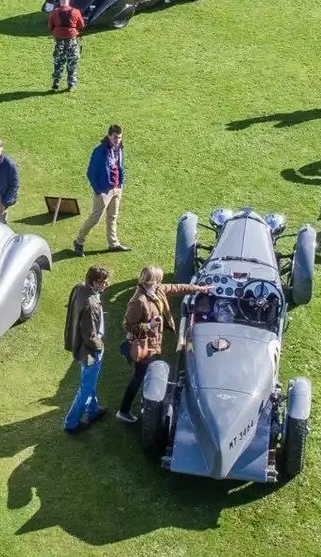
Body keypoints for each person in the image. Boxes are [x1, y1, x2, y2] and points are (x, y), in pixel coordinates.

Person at [116, 266, 210, 423]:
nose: (161, 281)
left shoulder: (156, 289)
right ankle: (124, 410)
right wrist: (149, 325)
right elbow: (128, 325)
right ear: (152, 280)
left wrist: (198, 289)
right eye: (159, 278)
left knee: (147, 372)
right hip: (145, 343)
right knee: (139, 377)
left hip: (154, 341)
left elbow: (176, 288)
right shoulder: (138, 301)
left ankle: (144, 399)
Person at [62, 265, 109, 432]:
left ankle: (93, 411)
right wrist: (99, 346)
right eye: (104, 282)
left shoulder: (79, 288)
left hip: (78, 346)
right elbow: (90, 335)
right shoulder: (91, 304)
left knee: (89, 382)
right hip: (89, 351)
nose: (107, 285)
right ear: (96, 282)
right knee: (85, 388)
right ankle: (71, 423)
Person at [74, 125, 130, 256]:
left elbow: (119, 166)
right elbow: (90, 172)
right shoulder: (100, 151)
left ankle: (113, 243)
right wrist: (98, 190)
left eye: (120, 138)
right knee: (95, 218)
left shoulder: (119, 148)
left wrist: (120, 183)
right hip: (104, 190)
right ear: (109, 136)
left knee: (112, 217)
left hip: (116, 188)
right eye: (115, 137)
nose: (118, 140)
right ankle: (79, 241)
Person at [48, 0, 85, 92]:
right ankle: (71, 85)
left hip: (59, 42)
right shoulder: (76, 11)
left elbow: (50, 27)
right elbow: (81, 25)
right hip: (72, 41)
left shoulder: (54, 12)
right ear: (68, 1)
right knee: (72, 63)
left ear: (60, 1)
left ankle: (56, 82)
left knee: (58, 62)